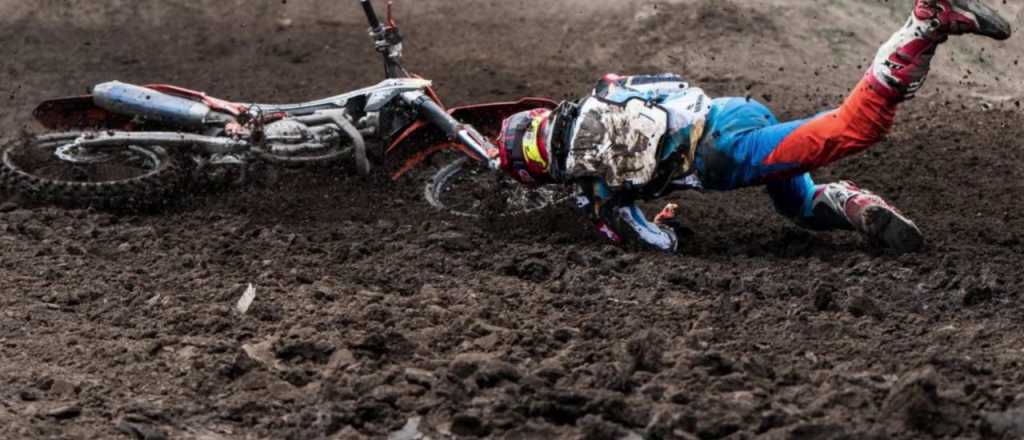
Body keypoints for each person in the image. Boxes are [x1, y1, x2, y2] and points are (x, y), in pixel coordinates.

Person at [494, 0, 1011, 253]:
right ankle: (850, 204)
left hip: (725, 159)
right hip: (732, 112)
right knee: (798, 205)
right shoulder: (605, 90)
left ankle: (924, 23)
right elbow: (674, 83)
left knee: (857, 127)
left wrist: (668, 219)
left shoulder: (597, 194)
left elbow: (657, 245)